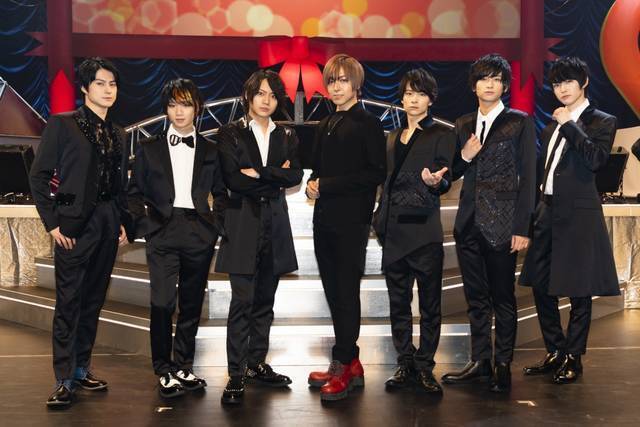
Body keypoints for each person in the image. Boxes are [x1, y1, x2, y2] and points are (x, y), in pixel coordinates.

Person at [30, 57, 132, 408]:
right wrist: (53, 222)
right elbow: (39, 176)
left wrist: (122, 220)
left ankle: (81, 369)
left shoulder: (119, 133)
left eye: (112, 84)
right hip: (73, 226)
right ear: (86, 88)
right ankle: (63, 378)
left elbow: (119, 185)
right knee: (69, 303)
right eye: (100, 83)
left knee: (93, 301)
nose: (107, 90)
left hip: (108, 223)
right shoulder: (63, 124)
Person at [520, 56, 620, 384]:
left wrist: (569, 125)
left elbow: (595, 160)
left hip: (578, 214)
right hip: (547, 211)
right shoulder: (550, 125)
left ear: (584, 82)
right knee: (540, 284)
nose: (562, 89)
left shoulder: (602, 121)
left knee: (579, 288)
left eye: (568, 82)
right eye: (557, 83)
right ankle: (555, 349)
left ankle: (574, 357)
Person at [441, 54, 536, 393]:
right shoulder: (463, 123)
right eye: (484, 78)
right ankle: (480, 361)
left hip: (504, 224)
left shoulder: (519, 122)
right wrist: (464, 156)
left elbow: (529, 177)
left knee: (503, 298)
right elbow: (452, 171)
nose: (490, 84)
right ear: (474, 85)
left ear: (505, 85)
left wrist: (523, 227)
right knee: (476, 298)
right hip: (468, 224)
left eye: (496, 79)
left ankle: (503, 364)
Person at [127, 78, 226, 398]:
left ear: (197, 108)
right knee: (162, 302)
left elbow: (221, 193)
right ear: (166, 109)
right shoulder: (148, 148)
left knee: (191, 304)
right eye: (172, 105)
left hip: (199, 231)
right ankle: (163, 368)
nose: (179, 111)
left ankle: (183, 365)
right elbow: (133, 193)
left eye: (185, 104)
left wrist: (215, 227)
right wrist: (145, 226)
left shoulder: (211, 149)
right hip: (162, 232)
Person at [214, 70, 303, 405]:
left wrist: (262, 173)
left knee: (265, 301)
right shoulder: (230, 132)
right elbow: (233, 180)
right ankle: (236, 373)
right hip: (242, 224)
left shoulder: (287, 135)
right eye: (261, 93)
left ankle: (256, 363)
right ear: (248, 96)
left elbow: (295, 175)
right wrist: (274, 178)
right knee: (242, 302)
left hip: (275, 225)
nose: (266, 101)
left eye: (273, 95)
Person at [306, 54, 387, 401]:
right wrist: (312, 184)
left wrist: (327, 185)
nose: (336, 87)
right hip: (323, 219)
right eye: (331, 81)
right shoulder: (326, 122)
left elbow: (375, 173)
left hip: (352, 221)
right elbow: (318, 169)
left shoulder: (368, 123)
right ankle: (349, 362)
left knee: (346, 292)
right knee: (334, 293)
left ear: (356, 84)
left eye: (342, 80)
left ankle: (343, 363)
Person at [373, 69, 455, 394]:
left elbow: (445, 177)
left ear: (430, 99)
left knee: (430, 305)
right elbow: (385, 181)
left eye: (420, 94)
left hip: (424, 232)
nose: (413, 100)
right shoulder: (392, 137)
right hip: (394, 232)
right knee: (398, 304)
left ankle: (424, 366)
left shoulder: (441, 134)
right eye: (408, 94)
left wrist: (437, 182)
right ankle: (404, 362)